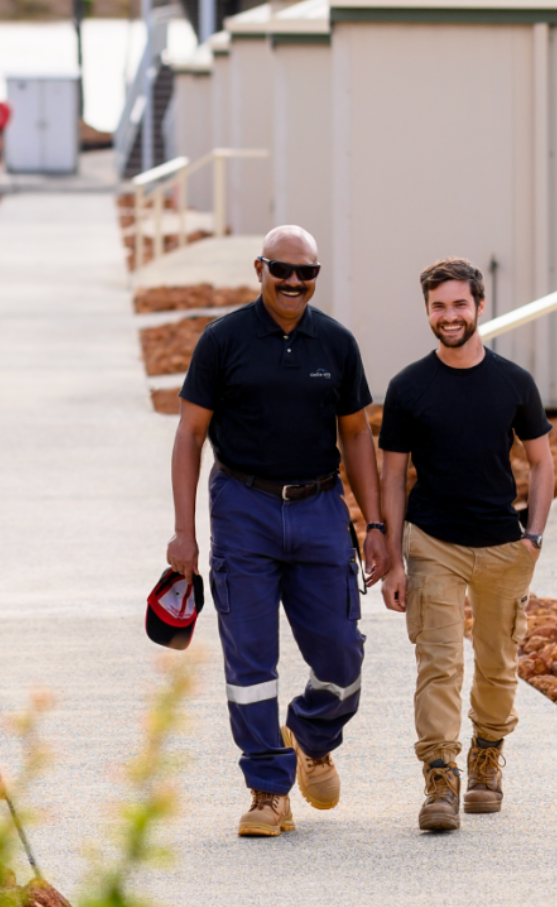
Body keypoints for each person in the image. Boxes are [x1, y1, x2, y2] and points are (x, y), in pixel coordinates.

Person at [167, 225, 389, 837]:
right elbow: (189, 435)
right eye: (281, 270)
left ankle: (311, 737)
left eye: (306, 273)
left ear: (317, 276)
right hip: (244, 509)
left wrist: (374, 523)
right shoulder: (224, 340)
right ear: (259, 268)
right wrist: (183, 533)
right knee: (250, 663)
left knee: (342, 654)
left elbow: (355, 436)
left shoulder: (336, 344)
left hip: (319, 509)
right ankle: (267, 791)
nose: (293, 282)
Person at [378, 257, 556, 833]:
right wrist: (395, 560)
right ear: (427, 311)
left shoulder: (513, 382)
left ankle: (486, 758)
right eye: (438, 306)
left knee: (500, 664)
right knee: (439, 663)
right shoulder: (409, 387)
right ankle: (439, 776)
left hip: (505, 547)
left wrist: (534, 535)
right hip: (434, 543)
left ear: (480, 307)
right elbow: (392, 477)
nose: (449, 316)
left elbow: (542, 460)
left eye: (459, 304)